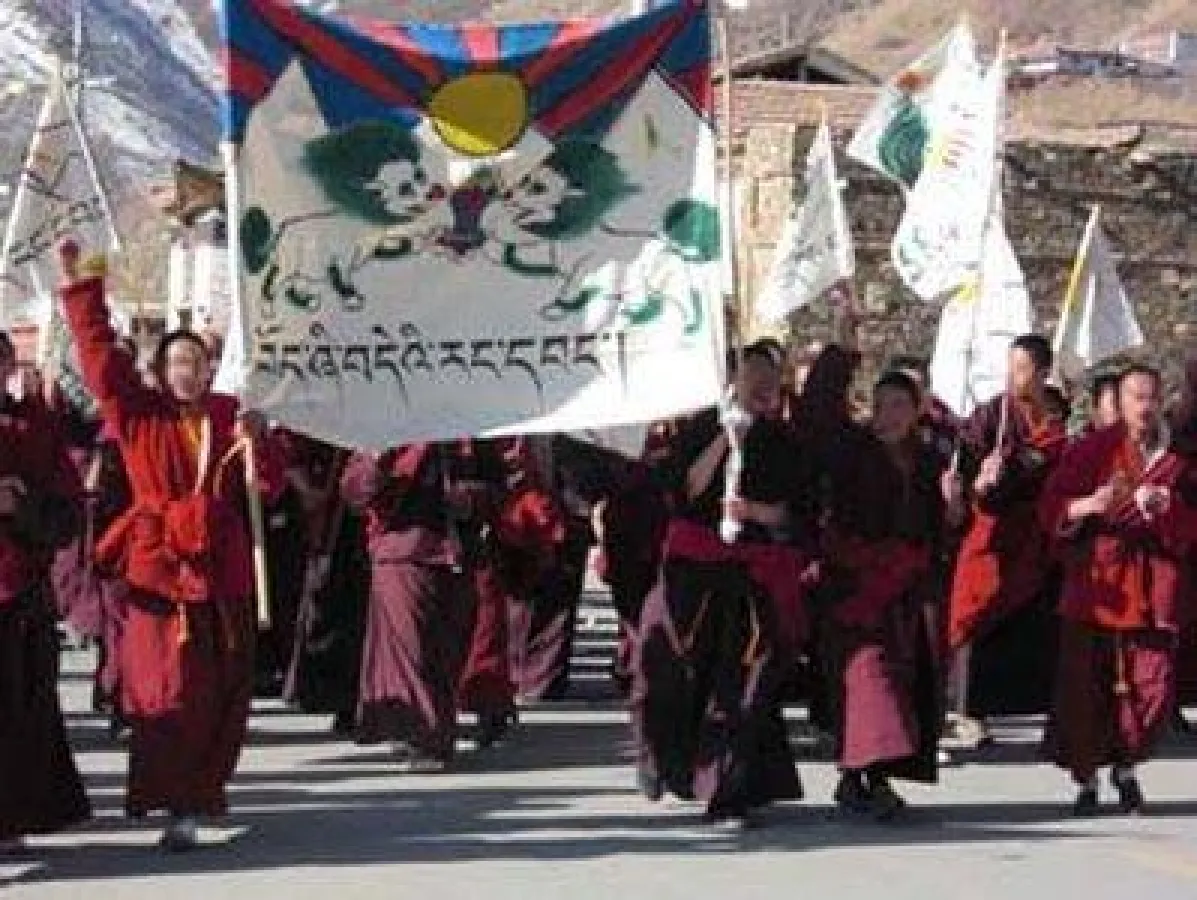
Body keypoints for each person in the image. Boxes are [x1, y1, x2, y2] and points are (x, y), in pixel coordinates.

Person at [57, 242, 283, 851]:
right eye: (176, 361)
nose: (187, 370)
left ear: (210, 368)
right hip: (160, 571)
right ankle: (173, 803)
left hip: (223, 570)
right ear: (160, 371)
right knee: (167, 693)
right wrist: (84, 291)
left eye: (197, 360)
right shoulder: (140, 416)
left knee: (223, 692)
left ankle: (204, 791)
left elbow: (269, 485)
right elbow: (101, 363)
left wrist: (260, 439)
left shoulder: (231, 416)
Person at [631, 343, 810, 828]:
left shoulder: (788, 442)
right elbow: (683, 490)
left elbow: (798, 513)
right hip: (693, 574)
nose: (762, 390)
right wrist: (724, 441)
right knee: (663, 668)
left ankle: (727, 789)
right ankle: (662, 758)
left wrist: (755, 513)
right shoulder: (702, 429)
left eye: (769, 381)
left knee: (741, 688)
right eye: (752, 379)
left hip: (752, 578)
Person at [1040, 365, 1197, 815]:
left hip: (1154, 584)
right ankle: (1088, 780)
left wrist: (1168, 509)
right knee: (1086, 690)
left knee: (1153, 687)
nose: (1145, 406)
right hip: (1099, 584)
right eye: (1135, 397)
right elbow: (1053, 507)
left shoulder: (1178, 459)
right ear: (1121, 402)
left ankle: (1127, 767)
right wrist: (1089, 505)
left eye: (1151, 397)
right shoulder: (1093, 450)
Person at [819, 370, 957, 820]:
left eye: (898, 405)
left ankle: (854, 774)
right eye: (880, 405)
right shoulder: (850, 450)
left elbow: (941, 528)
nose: (887, 415)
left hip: (909, 591)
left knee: (902, 680)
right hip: (857, 583)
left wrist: (956, 504)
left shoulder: (932, 460)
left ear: (916, 410)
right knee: (868, 680)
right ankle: (874, 779)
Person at [341, 441, 504, 769]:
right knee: (410, 648)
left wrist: (469, 499)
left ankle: (433, 725)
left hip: (459, 554)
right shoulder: (384, 432)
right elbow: (355, 493)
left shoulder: (470, 430)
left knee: (448, 649)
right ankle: (426, 737)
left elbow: (498, 486)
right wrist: (378, 458)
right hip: (403, 552)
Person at [943, 335, 1068, 745]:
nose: (1013, 377)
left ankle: (1027, 705)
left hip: (1035, 533)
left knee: (1034, 615)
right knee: (971, 611)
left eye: (1022, 369)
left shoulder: (1058, 420)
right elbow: (964, 461)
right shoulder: (992, 415)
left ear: (1043, 372)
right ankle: (963, 709)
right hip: (991, 529)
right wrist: (977, 480)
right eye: (1010, 367)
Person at [0, 331, 90, 851]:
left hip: (18, 598)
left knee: (17, 712)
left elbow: (64, 514)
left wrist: (21, 506)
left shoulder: (35, 427)